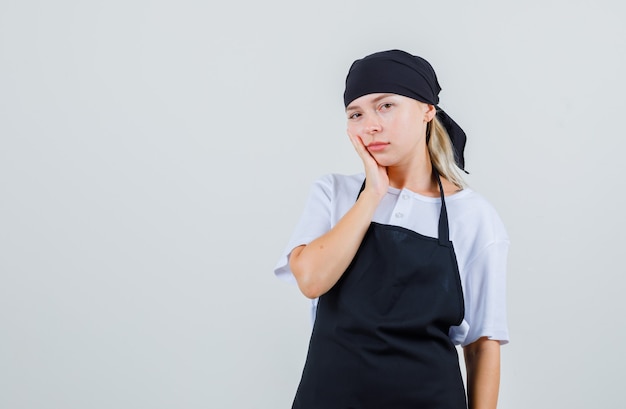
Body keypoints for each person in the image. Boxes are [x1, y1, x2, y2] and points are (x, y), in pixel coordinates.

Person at [274, 49, 509, 409]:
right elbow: (311, 280)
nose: (371, 125)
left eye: (386, 106)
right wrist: (373, 195)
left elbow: (482, 345)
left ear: (427, 110)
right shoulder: (334, 193)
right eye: (357, 114)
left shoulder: (473, 215)